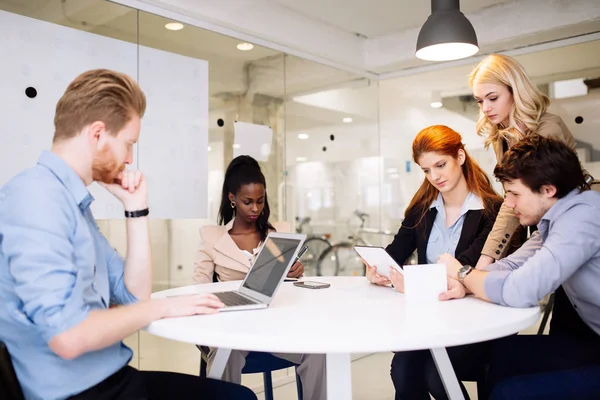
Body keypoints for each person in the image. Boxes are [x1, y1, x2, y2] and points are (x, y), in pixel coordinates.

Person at [0, 69, 256, 400]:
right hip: (84, 392)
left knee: (235, 396)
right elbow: (68, 336)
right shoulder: (36, 199)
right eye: (128, 144)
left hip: (110, 377)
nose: (130, 158)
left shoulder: (70, 201)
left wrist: (136, 210)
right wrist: (163, 308)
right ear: (97, 135)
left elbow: (134, 295)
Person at [438, 135, 600, 397]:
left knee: (510, 393)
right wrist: (466, 283)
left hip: (593, 343)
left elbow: (521, 290)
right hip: (592, 341)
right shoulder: (558, 217)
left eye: (514, 194)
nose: (509, 204)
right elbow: (513, 264)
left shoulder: (583, 218)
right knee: (501, 354)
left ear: (548, 190)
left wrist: (463, 273)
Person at [364, 125, 503, 399]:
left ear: (460, 157)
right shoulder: (422, 209)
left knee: (436, 374)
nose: (435, 176)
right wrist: (376, 270)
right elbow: (395, 253)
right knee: (402, 369)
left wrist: (412, 284)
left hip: (475, 320)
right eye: (426, 170)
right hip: (429, 318)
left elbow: (464, 269)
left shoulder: (492, 210)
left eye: (440, 165)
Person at [193, 155, 327, 400]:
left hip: (276, 327)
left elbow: (291, 289)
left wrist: (294, 274)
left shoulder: (279, 234)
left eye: (260, 201)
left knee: (318, 351)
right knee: (227, 349)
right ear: (232, 199)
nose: (255, 208)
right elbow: (198, 289)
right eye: (247, 202)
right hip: (232, 327)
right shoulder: (212, 237)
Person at [469, 53, 597, 269]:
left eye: (493, 98)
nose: (485, 108)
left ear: (514, 92)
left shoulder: (548, 129)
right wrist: (485, 262)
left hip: (575, 223)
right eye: (480, 101)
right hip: (543, 225)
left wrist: (484, 263)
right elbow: (513, 199)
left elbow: (537, 198)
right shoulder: (501, 137)